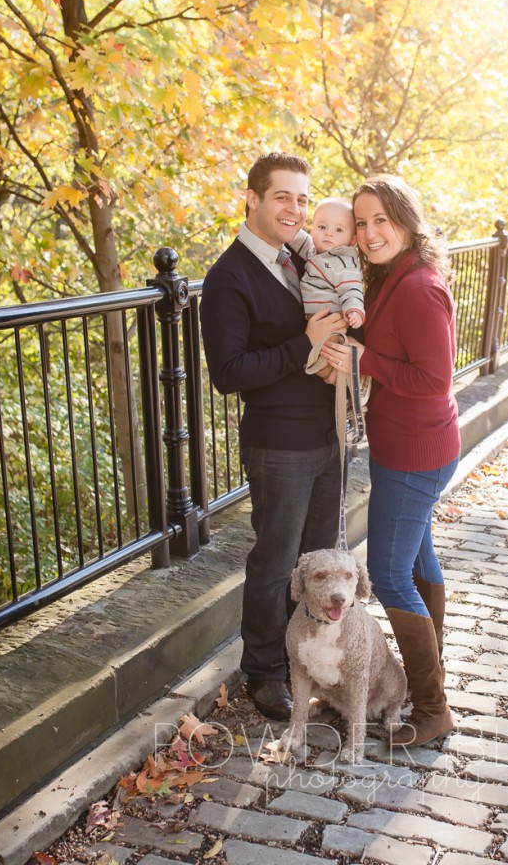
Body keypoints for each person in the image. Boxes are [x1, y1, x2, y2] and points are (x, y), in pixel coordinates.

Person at [200, 152, 346, 721]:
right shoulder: (229, 276)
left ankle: (309, 663)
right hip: (280, 445)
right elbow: (229, 374)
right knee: (277, 563)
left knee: (321, 565)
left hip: (326, 434)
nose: (295, 208)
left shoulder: (302, 259)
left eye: (303, 198)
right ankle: (264, 672)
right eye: (282, 196)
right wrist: (305, 343)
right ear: (253, 199)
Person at [322, 173, 460, 747]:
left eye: (383, 219)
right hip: (408, 446)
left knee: (390, 574)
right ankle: (431, 681)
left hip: (415, 453)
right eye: (362, 221)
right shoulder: (390, 277)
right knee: (419, 560)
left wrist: (364, 359)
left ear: (406, 220)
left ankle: (431, 709)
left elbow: (434, 379)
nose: (371, 231)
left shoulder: (419, 286)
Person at [298, 198, 365, 328]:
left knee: (329, 346)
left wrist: (354, 310)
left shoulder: (345, 263)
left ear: (352, 240)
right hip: (312, 317)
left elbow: (351, 289)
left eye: (338, 230)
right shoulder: (314, 251)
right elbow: (297, 238)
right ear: (312, 232)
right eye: (322, 227)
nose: (328, 233)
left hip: (332, 318)